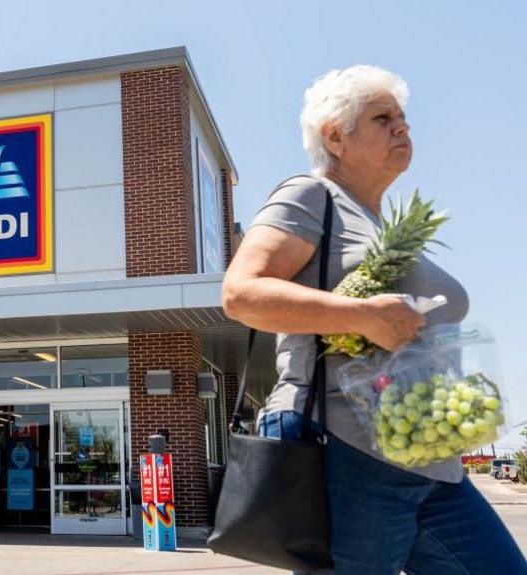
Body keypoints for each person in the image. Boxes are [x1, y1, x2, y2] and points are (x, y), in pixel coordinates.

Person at [222, 65, 526, 574]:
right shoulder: (311, 197)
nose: (402, 128)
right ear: (335, 136)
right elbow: (241, 294)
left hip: (432, 460)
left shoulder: (382, 224)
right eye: (383, 118)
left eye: (403, 118)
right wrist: (362, 315)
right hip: (351, 452)